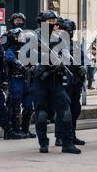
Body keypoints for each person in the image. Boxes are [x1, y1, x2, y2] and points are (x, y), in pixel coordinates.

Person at [32, 10, 81, 154]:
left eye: (54, 21)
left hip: (56, 79)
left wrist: (62, 61)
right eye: (49, 21)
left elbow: (67, 56)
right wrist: (45, 59)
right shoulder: (34, 38)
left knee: (66, 111)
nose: (52, 24)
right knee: (41, 114)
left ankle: (67, 143)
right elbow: (27, 57)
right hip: (41, 81)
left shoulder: (59, 39)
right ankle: (43, 143)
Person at [55, 19, 87, 146]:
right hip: (63, 83)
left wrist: (84, 67)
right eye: (66, 31)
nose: (68, 33)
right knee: (63, 111)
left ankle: (71, 135)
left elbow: (83, 60)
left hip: (75, 82)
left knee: (75, 110)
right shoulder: (56, 45)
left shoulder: (76, 46)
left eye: (70, 31)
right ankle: (59, 136)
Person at [5, 27, 36, 139]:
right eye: (19, 36)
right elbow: (11, 59)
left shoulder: (26, 49)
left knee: (29, 106)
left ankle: (25, 129)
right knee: (15, 105)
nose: (21, 38)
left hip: (26, 80)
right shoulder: (10, 50)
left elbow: (33, 59)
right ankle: (16, 129)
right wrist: (20, 64)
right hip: (15, 79)